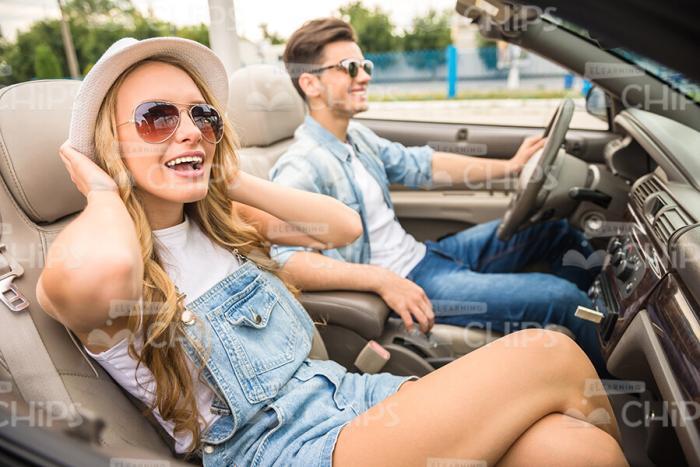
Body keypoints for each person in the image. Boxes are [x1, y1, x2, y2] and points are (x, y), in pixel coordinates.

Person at [37, 36, 626, 466]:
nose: (189, 129)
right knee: (549, 350)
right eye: (156, 118)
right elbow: (107, 271)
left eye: (203, 116)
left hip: (345, 396)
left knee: (577, 449)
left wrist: (226, 176)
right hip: (282, 450)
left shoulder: (222, 221)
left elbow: (342, 227)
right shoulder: (79, 263)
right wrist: (101, 187)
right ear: (104, 145)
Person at [270, 18, 605, 370]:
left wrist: (511, 166)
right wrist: (382, 280)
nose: (365, 76)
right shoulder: (302, 165)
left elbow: (424, 165)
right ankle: (613, 384)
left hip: (428, 255)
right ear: (310, 83)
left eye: (365, 66)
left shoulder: (358, 138)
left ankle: (567, 345)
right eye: (350, 68)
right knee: (563, 298)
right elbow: (286, 261)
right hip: (410, 281)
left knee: (557, 234)